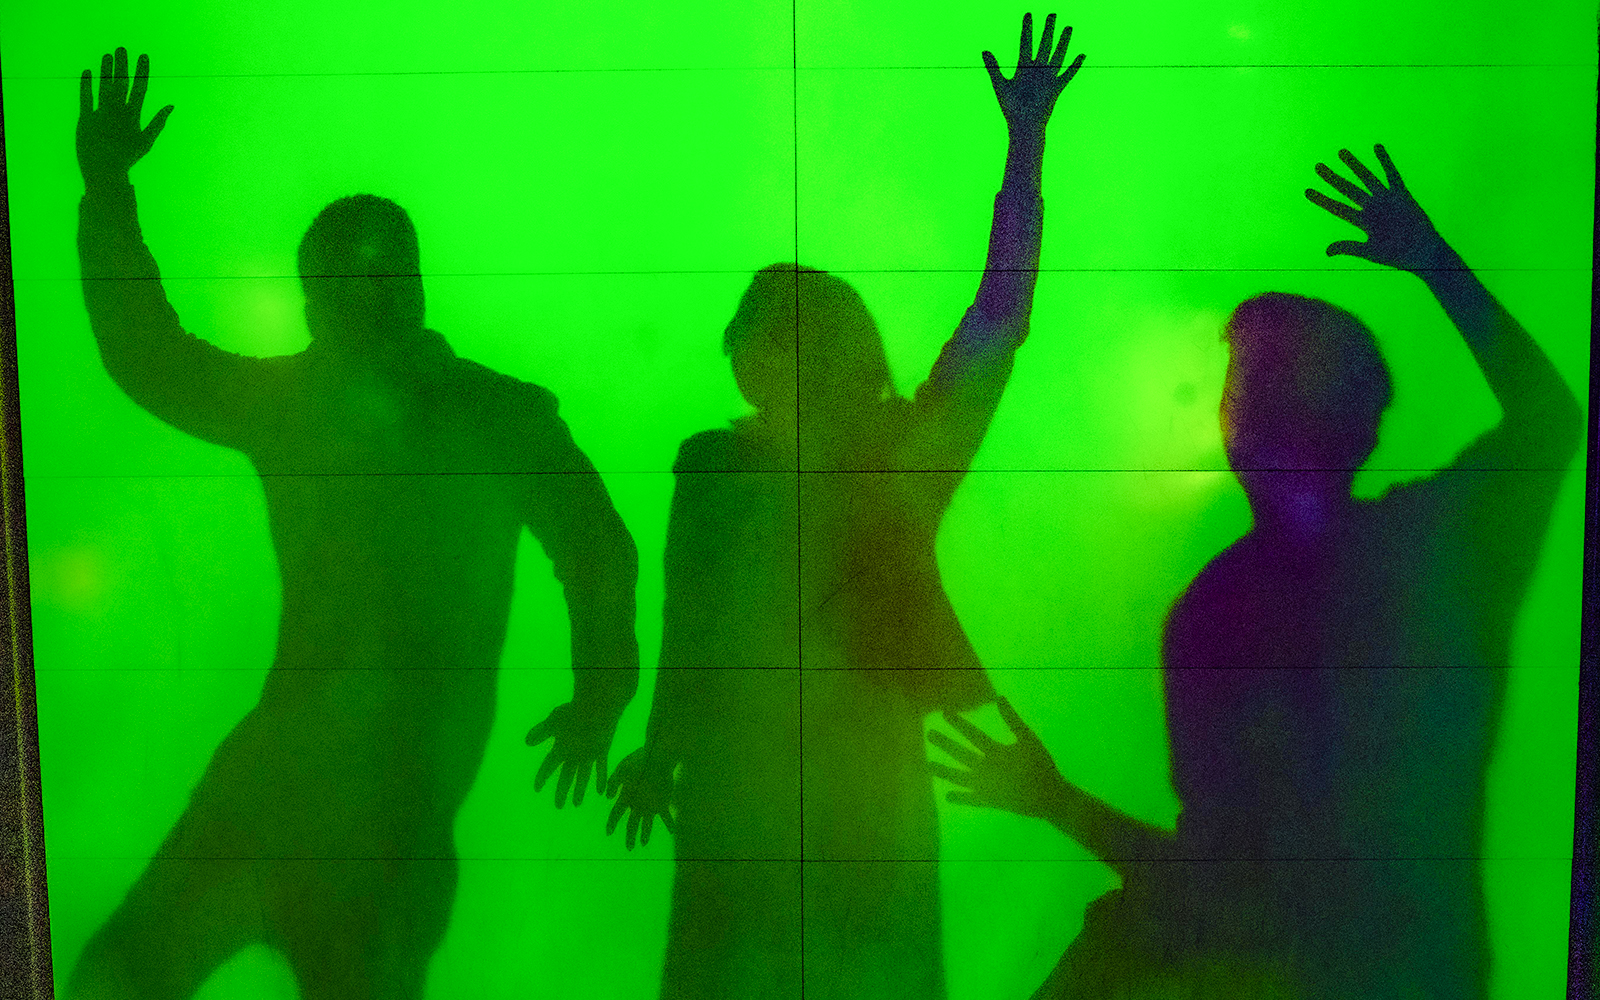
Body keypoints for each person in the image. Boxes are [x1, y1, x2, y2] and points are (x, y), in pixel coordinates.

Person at [933, 144, 1583, 999]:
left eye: (1266, 378)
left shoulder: (1237, 606)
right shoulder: (1423, 549)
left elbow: (1222, 890)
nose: (1241, 400)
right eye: (1245, 379)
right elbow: (1548, 419)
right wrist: (1434, 264)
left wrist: (1058, 802)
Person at [67, 48, 639, 1000]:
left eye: (330, 289)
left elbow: (150, 359)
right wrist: (599, 695)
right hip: (355, 802)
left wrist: (108, 194)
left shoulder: (333, 407)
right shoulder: (483, 413)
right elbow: (598, 551)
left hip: (316, 797)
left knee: (119, 977)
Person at [601, 13, 1084, 999]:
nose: (752, 352)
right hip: (740, 782)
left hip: (861, 773)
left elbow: (1001, 316)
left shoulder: (896, 452)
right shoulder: (711, 465)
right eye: (747, 334)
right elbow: (687, 618)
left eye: (775, 333)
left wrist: (1024, 148)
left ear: (824, 349)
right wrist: (661, 748)